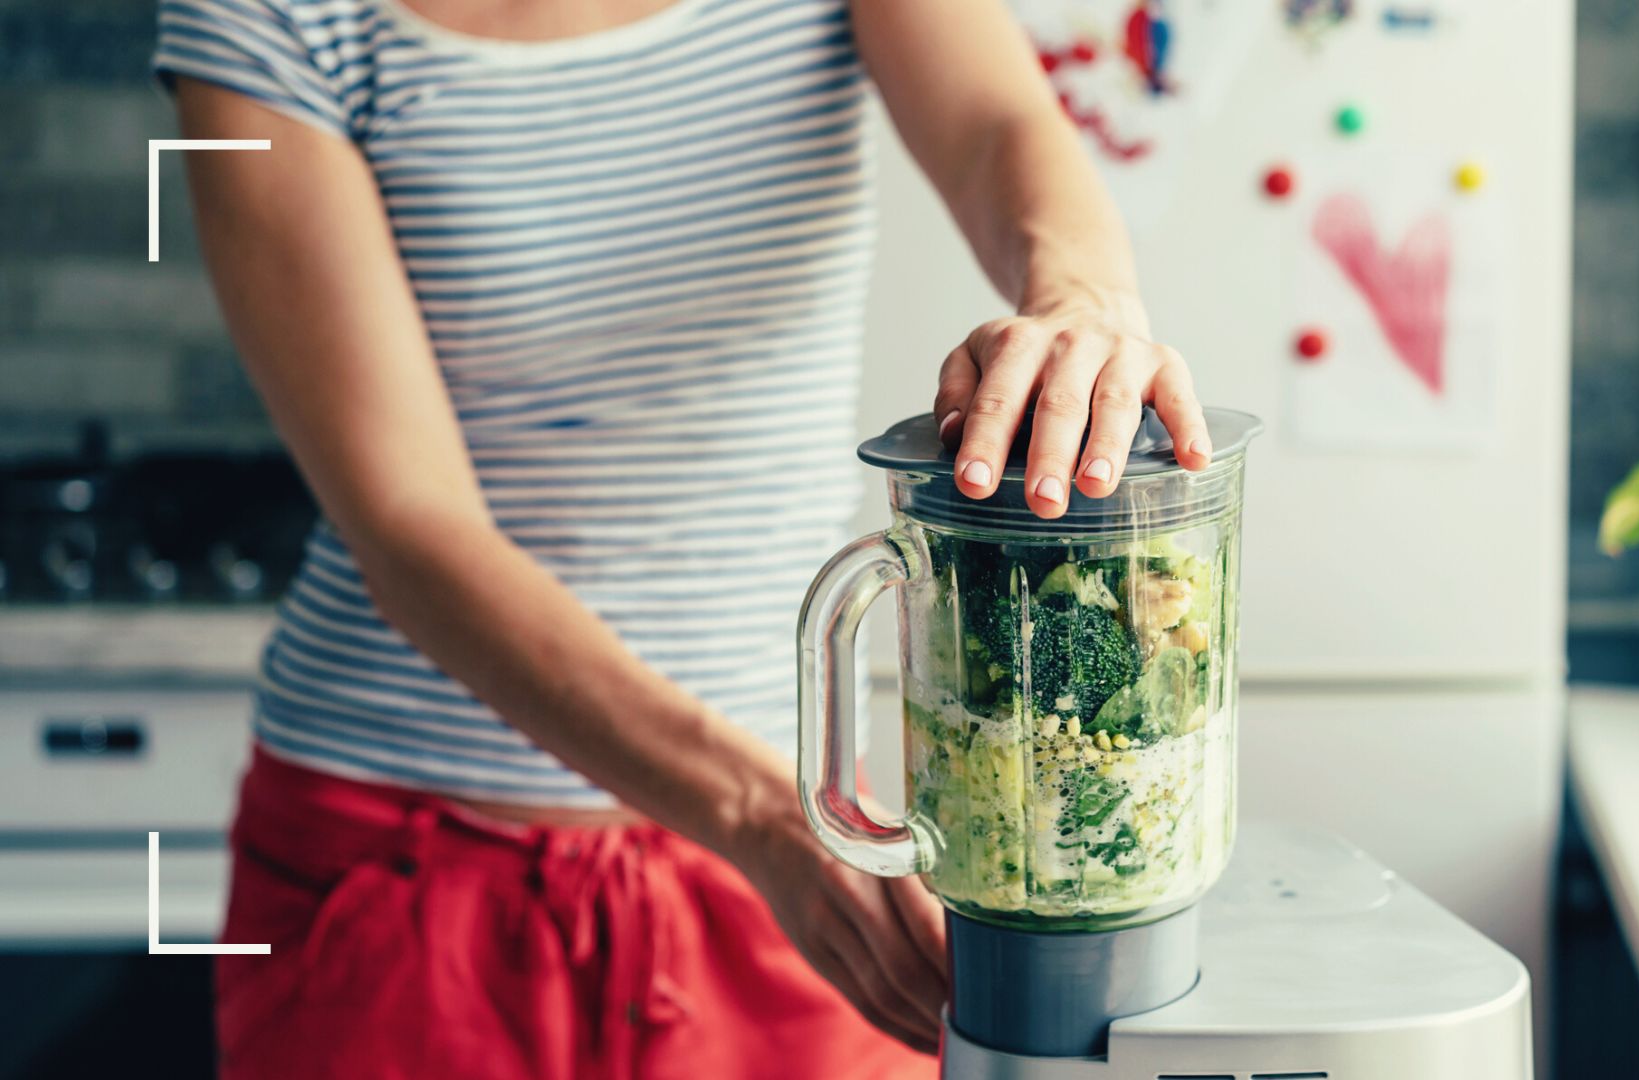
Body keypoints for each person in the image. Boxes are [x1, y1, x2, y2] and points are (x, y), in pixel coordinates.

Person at [156, 0, 1211, 1076]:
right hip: (406, 879)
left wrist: (1085, 300)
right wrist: (759, 814)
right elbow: (409, 530)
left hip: (787, 878)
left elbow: (1000, 126)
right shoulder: (261, 22)